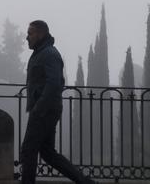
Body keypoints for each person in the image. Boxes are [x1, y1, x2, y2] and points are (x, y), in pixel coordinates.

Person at [20, 20, 95, 184]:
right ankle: (86, 182)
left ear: (40, 34)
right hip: (46, 109)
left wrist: (38, 107)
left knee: (28, 149)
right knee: (47, 153)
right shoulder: (41, 53)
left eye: (30, 33)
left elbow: (54, 83)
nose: (27, 37)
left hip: (44, 110)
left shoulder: (49, 54)